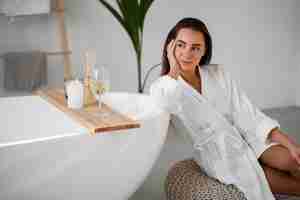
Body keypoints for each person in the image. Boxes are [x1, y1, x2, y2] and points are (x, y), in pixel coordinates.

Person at [150, 17, 300, 199]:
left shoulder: (217, 73)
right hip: (221, 155)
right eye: (180, 45)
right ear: (170, 47)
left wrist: (290, 145)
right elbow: (165, 103)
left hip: (248, 134)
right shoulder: (162, 87)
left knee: (293, 161)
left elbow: (247, 113)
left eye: (195, 48)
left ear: (204, 51)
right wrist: (173, 70)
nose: (187, 53)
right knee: (269, 181)